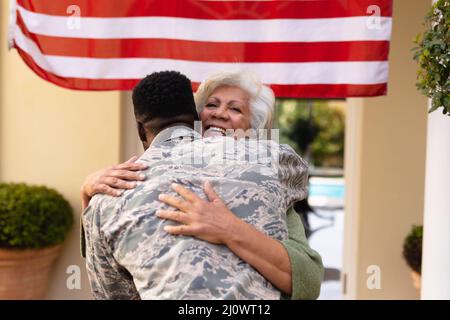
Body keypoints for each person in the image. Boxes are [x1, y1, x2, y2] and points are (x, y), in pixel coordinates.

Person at [82, 70, 323, 299]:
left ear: (253, 132)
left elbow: (308, 280)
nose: (219, 114)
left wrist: (230, 229)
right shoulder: (127, 180)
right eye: (211, 105)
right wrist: (88, 193)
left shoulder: (267, 173)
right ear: (195, 117)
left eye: (235, 109)